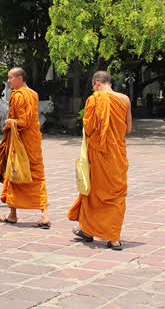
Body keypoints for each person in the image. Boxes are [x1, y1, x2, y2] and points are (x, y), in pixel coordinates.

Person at [68, 70, 132, 249]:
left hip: (97, 154)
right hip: (116, 155)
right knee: (116, 195)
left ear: (96, 83)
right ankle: (113, 238)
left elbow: (88, 128)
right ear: (109, 83)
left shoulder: (93, 100)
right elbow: (128, 129)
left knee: (93, 193)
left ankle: (88, 230)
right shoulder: (124, 99)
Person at [0, 67, 50, 228]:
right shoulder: (33, 94)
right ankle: (42, 214)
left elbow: (23, 122)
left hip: (21, 142)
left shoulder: (18, 95)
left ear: (20, 78)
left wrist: (9, 122)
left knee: (14, 172)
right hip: (33, 142)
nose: (9, 81)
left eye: (11, 78)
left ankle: (13, 214)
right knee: (37, 176)